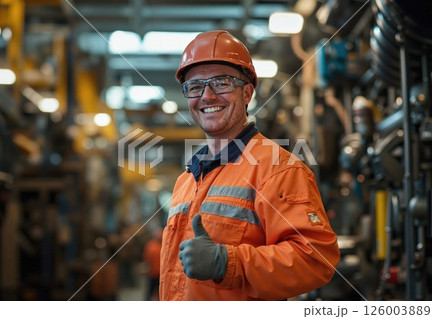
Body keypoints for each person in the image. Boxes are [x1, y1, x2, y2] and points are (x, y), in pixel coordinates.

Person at [159, 30, 340, 301]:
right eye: (195, 87)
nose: (207, 96)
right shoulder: (186, 180)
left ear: (247, 93)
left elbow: (315, 258)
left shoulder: (279, 169)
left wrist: (228, 262)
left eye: (221, 83)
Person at [142, 228, 162, 300]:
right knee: (149, 291)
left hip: (160, 274)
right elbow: (146, 258)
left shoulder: (163, 245)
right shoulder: (150, 245)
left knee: (159, 292)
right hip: (152, 273)